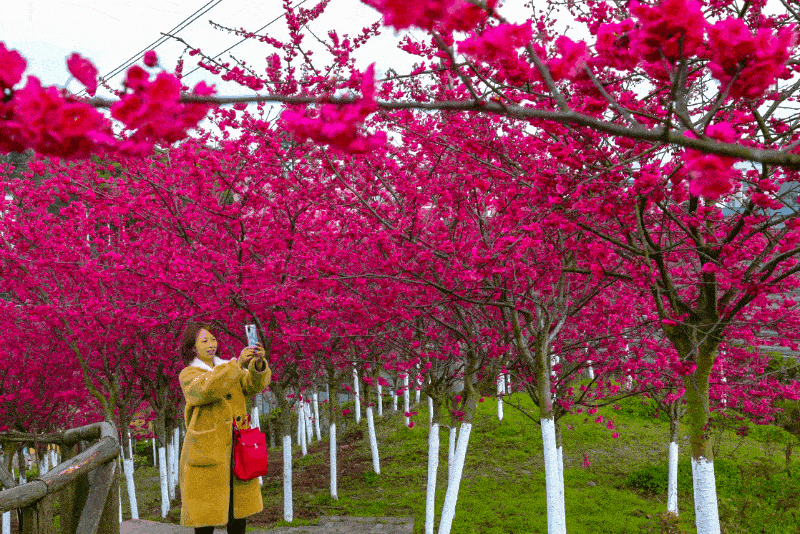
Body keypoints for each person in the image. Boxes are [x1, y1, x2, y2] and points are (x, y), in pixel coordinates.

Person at [177, 321, 271, 533]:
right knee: (205, 518)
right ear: (193, 347)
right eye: (204, 341)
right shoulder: (189, 374)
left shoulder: (228, 368)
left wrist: (257, 365)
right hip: (208, 450)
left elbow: (252, 385)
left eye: (213, 339)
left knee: (237, 513)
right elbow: (206, 390)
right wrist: (236, 365)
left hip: (237, 448)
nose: (211, 344)